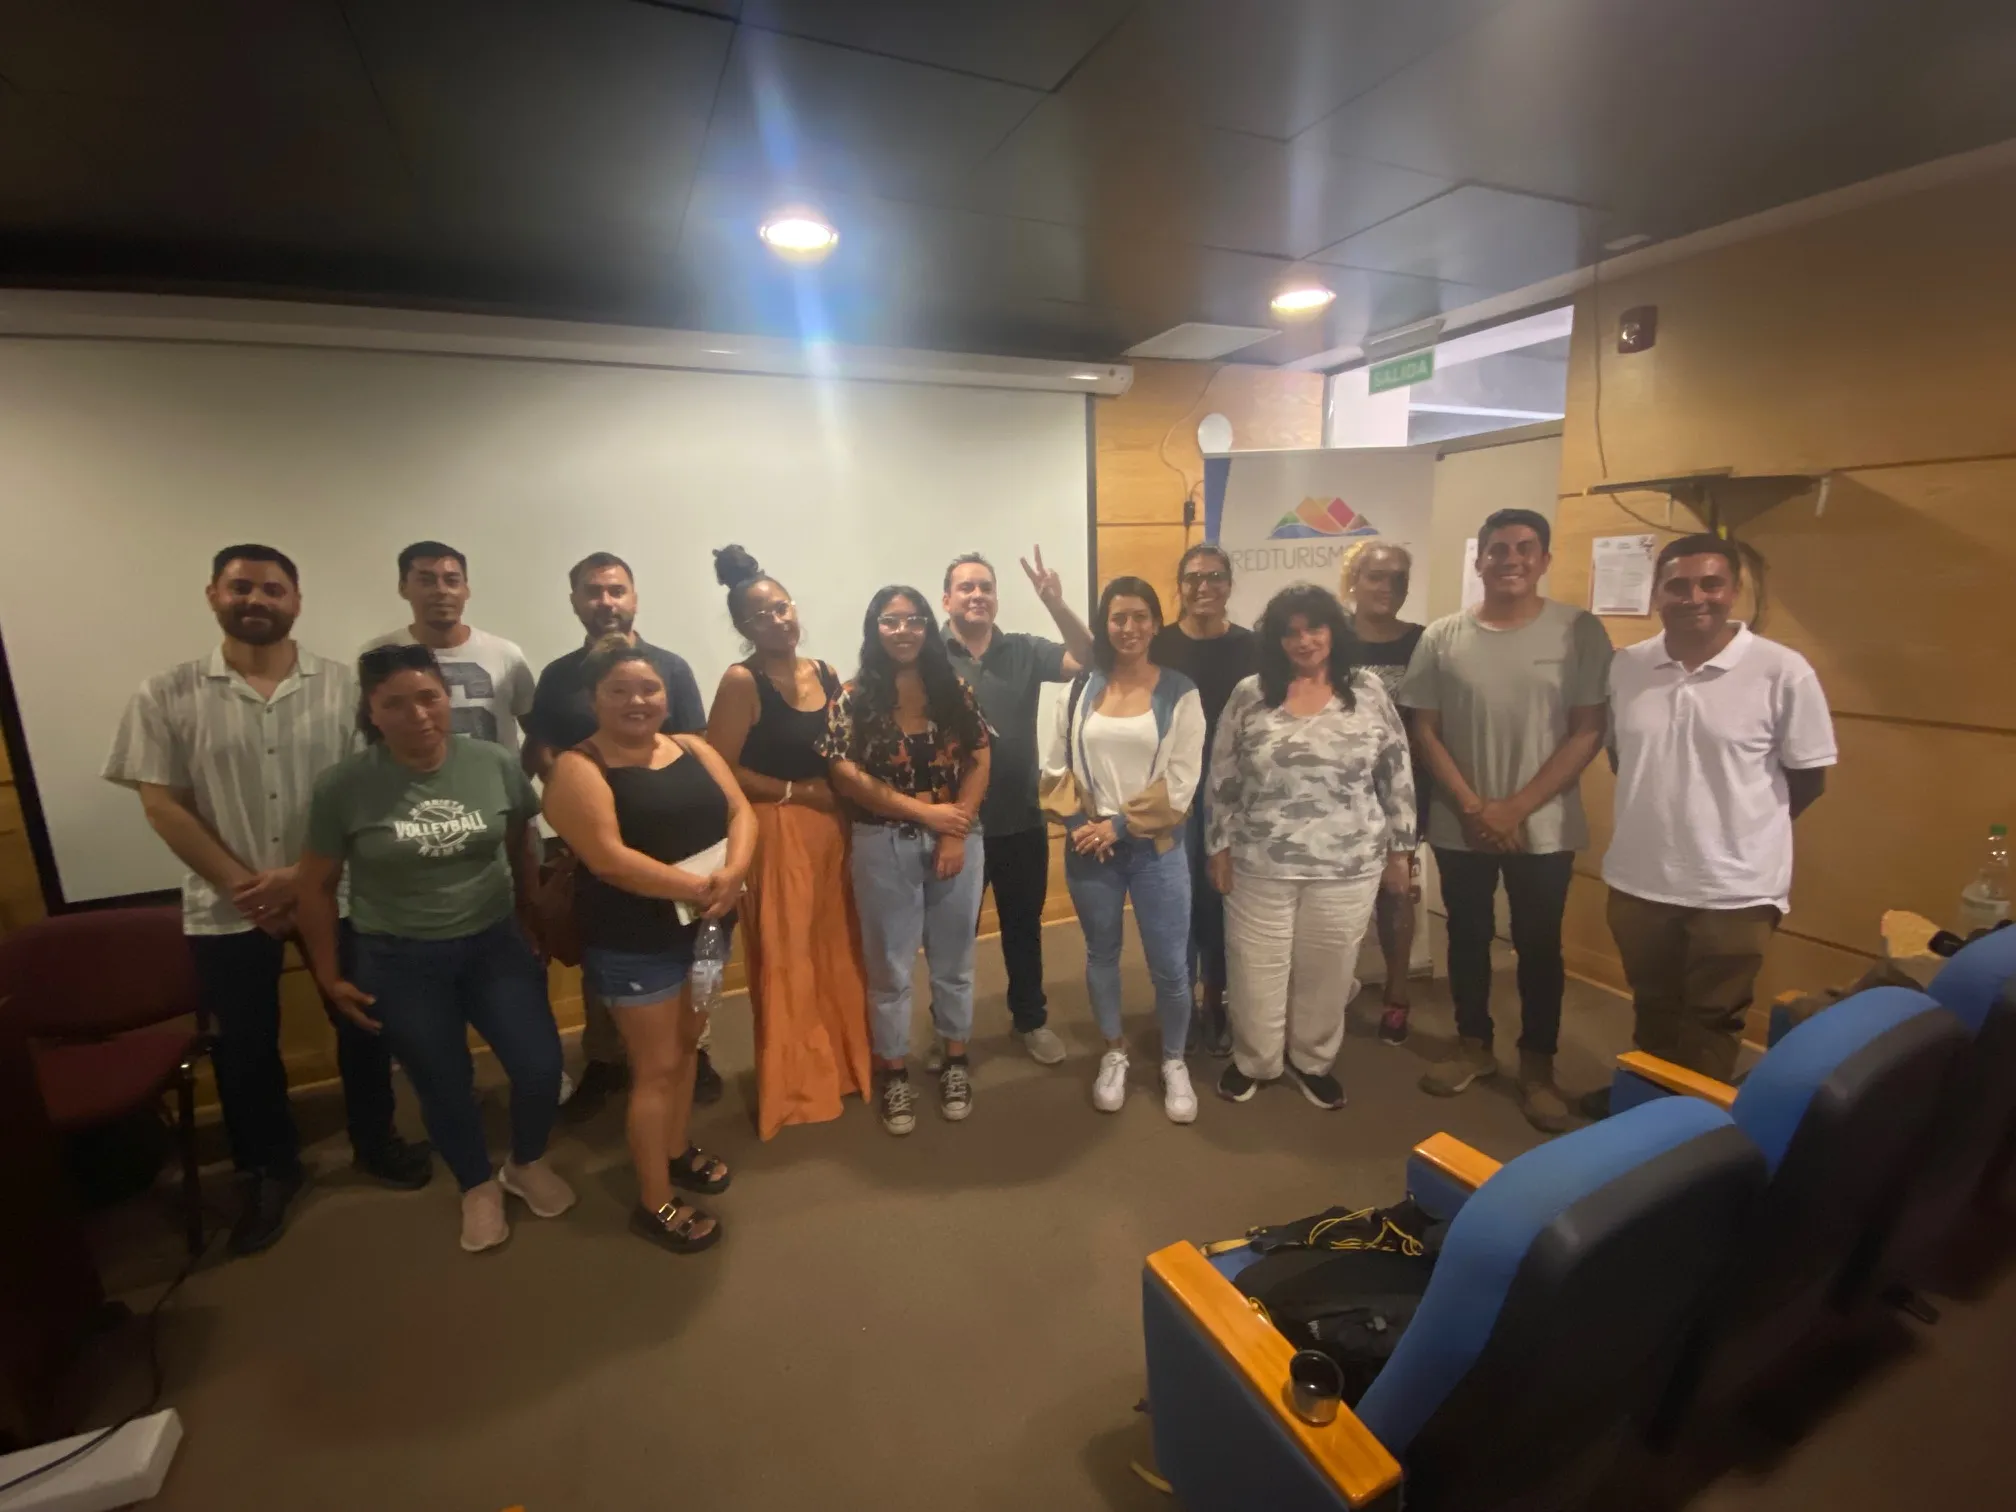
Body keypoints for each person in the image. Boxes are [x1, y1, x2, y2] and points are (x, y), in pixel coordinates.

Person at [103, 545, 429, 1257]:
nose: (257, 599)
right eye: (241, 587)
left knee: (364, 1025)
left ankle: (376, 1140)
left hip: (339, 892)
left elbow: (374, 791)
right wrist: (242, 883)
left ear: (296, 601)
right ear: (213, 594)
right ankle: (269, 1170)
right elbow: (163, 804)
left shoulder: (347, 689)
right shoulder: (165, 693)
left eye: (273, 589)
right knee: (245, 1047)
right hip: (229, 906)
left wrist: (300, 877)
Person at [296, 645, 572, 1254]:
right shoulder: (344, 786)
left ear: (446, 697)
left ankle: (526, 1162)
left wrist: (532, 915)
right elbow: (313, 887)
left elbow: (519, 841)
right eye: (396, 704)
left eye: (429, 697)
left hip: (493, 944)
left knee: (539, 1066)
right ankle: (476, 1185)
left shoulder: (492, 763)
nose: (418, 714)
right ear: (371, 711)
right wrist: (328, 975)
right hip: (399, 959)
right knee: (443, 1081)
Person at [1398, 508, 1612, 1133]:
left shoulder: (1579, 631)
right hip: (1459, 821)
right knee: (1465, 937)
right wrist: (1474, 806)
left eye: (1524, 548)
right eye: (1498, 549)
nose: (1510, 559)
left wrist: (1514, 808)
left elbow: (1588, 730)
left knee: (1538, 946)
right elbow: (1424, 729)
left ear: (1544, 560)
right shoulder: (1443, 636)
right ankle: (1473, 1047)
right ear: (1480, 559)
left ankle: (1538, 1068)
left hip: (1543, 827)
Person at [542, 637, 757, 1253]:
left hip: (709, 930)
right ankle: (654, 1202)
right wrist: (703, 887)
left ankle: (674, 1147)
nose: (637, 701)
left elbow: (741, 812)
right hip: (636, 944)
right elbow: (608, 859)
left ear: (666, 694)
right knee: (656, 1068)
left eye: (649, 689)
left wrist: (734, 875)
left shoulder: (693, 747)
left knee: (688, 1047)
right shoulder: (578, 768)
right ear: (594, 699)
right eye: (619, 691)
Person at [1599, 534, 1834, 1090]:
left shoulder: (1783, 671)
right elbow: (1622, 758)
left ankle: (1693, 1127)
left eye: (1711, 584)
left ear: (1734, 590)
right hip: (1639, 881)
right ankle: (1645, 1106)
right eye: (1678, 585)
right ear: (1657, 593)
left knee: (1714, 1019)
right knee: (1652, 1007)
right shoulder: (1626, 666)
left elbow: (1808, 780)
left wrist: (1738, 832)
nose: (1695, 597)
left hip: (1735, 890)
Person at [523, 551, 720, 1116]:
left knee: (695, 952)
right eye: (593, 591)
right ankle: (606, 1060)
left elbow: (698, 750)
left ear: (634, 597)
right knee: (607, 952)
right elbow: (539, 748)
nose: (605, 602)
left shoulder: (671, 667)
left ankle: (696, 1051)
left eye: (616, 590)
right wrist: (574, 800)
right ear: (575, 601)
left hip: (676, 847)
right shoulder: (559, 675)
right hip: (596, 848)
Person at [1206, 585, 1416, 1111]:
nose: (1304, 641)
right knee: (1255, 970)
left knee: (1328, 972)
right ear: (1275, 640)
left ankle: (1312, 1060)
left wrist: (1401, 851)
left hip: (1347, 866)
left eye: (1314, 628)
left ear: (1333, 631)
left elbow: (1396, 771)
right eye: (1291, 632)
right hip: (1259, 863)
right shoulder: (1250, 693)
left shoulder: (1367, 690)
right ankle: (1255, 1060)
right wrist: (1218, 847)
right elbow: (1222, 774)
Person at [703, 544, 872, 1140]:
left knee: (839, 948)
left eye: (783, 607)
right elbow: (720, 767)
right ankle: (799, 1087)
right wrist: (797, 793)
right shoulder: (741, 681)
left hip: (833, 831)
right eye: (762, 615)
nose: (779, 620)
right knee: (788, 955)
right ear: (743, 628)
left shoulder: (824, 673)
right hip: (777, 831)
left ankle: (847, 1067)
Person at [819, 586, 992, 1135]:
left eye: (914, 620)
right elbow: (843, 773)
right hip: (883, 844)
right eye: (890, 621)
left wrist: (954, 828)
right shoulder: (852, 697)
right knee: (890, 968)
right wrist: (924, 815)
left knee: (954, 962)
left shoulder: (953, 689)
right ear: (874, 629)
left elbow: (980, 756)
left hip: (958, 839)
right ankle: (894, 1071)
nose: (903, 630)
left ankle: (955, 1060)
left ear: (927, 627)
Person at [1042, 577, 1206, 1121]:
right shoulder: (1078, 690)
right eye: (1118, 618)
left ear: (1155, 624)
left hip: (1156, 848)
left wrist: (1118, 826)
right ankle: (1113, 1051)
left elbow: (1182, 780)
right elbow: (1055, 767)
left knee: (1171, 966)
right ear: (1104, 626)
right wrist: (1080, 825)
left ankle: (1174, 1059)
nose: (1129, 627)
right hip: (1090, 849)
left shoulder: (1180, 692)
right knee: (1101, 954)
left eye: (1139, 616)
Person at [941, 548, 1093, 1066]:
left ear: (997, 598)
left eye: (985, 587)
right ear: (946, 599)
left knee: (1023, 930)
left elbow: (1089, 658)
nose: (977, 595)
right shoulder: (927, 655)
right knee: (951, 940)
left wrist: (1056, 603)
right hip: (953, 825)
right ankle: (950, 1032)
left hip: (1020, 820)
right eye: (966, 587)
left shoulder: (1024, 649)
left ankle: (1030, 1019)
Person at [1149, 543, 1257, 1059]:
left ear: (1229, 585)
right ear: (1180, 587)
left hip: (1235, 797)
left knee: (1223, 904)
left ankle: (1218, 1001)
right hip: (1176, 796)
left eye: (1214, 576)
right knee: (1179, 905)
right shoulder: (1159, 645)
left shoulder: (1254, 648)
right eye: (1193, 578)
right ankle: (1184, 1003)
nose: (1204, 586)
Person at [1338, 541, 1428, 1046]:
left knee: (1396, 892)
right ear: (1353, 581)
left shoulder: (1424, 642)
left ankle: (1397, 995)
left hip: (1400, 790)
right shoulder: (1330, 638)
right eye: (1376, 576)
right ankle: (1333, 991)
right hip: (1336, 793)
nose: (1387, 587)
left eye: (1398, 578)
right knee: (1334, 898)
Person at [362, 541, 536, 753]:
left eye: (452, 581)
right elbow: (367, 734)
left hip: (494, 774)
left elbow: (537, 734)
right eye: (426, 581)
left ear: (466, 589)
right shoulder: (378, 655)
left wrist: (517, 773)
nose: (441, 591)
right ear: (403, 588)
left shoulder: (506, 654)